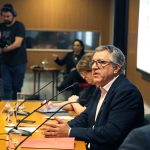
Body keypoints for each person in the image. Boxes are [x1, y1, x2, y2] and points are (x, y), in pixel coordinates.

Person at [40, 45, 144, 150]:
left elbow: (111, 134)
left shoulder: (126, 93)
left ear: (116, 68)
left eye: (101, 62)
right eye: (93, 62)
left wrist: (69, 131)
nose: (94, 67)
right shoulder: (101, 88)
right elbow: (86, 117)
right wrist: (61, 127)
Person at [0, 3, 27, 100]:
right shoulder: (1, 26)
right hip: (5, 63)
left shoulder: (19, 26)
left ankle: (16, 109)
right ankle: (7, 110)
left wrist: (3, 49)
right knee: (6, 88)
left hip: (18, 62)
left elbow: (17, 43)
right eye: (4, 16)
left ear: (13, 15)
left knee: (17, 88)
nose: (6, 18)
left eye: (8, 16)